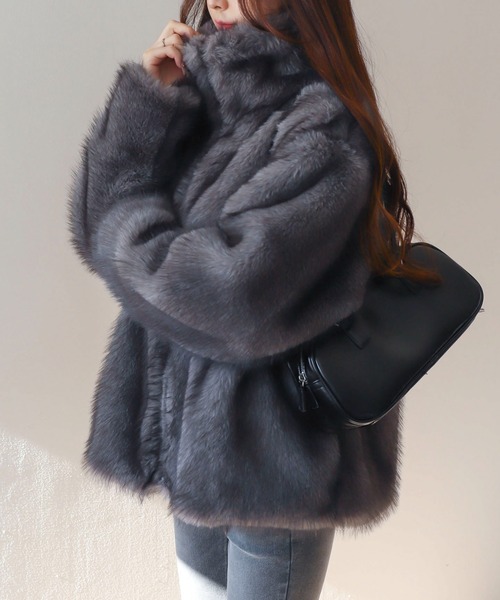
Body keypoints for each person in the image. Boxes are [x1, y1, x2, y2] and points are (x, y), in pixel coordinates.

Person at [67, 0, 436, 597]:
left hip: (275, 466)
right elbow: (95, 221)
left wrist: (127, 241)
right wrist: (151, 105)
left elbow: (228, 296)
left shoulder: (323, 132)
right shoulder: (206, 99)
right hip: (193, 453)